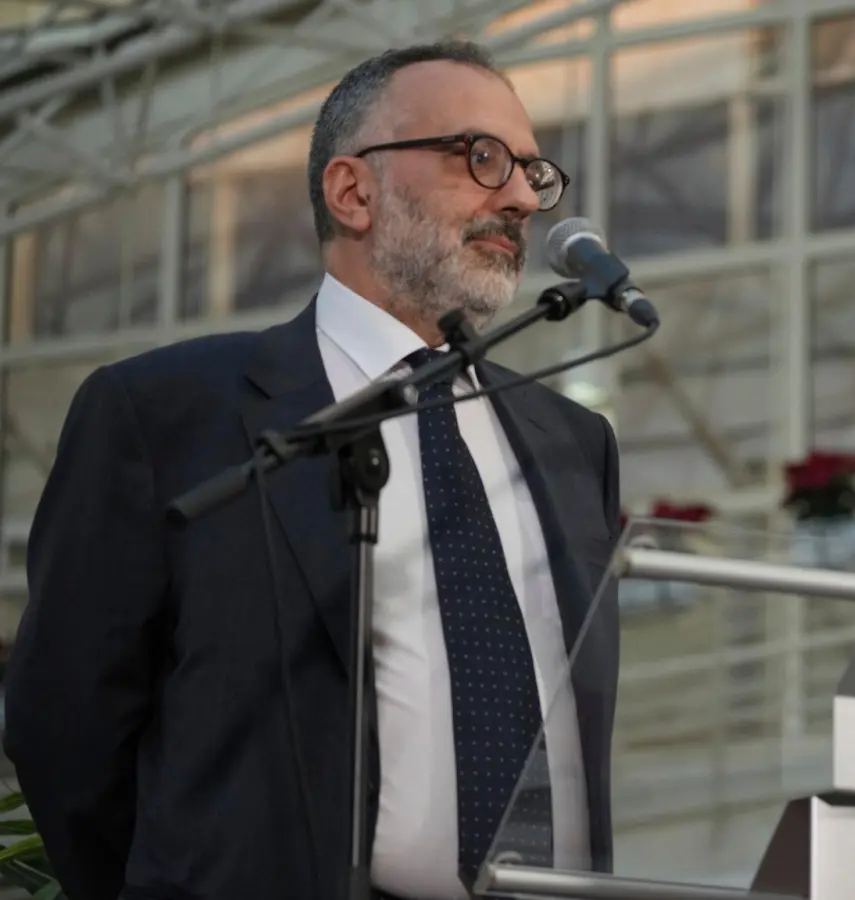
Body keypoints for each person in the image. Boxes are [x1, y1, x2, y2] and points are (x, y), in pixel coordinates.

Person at [4, 41, 621, 900]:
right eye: (481, 158)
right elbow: (64, 726)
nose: (520, 197)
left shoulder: (574, 440)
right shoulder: (165, 415)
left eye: (531, 170)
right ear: (353, 191)